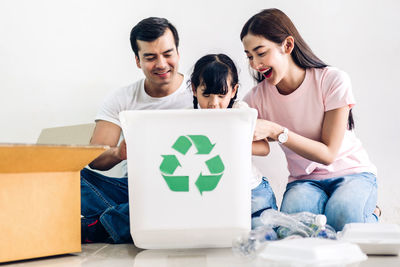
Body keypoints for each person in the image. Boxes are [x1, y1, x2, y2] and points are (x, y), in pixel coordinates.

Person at [240, 8, 378, 231]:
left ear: (287, 45)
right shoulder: (257, 98)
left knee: (342, 217)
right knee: (292, 229)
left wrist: (277, 131)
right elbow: (241, 134)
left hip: (352, 173)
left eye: (261, 52)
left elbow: (328, 154)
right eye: (249, 56)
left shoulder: (332, 80)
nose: (255, 64)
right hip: (304, 181)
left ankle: (372, 214)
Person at [81, 17, 193, 243]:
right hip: (136, 189)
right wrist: (118, 153)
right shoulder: (122, 98)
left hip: (188, 189)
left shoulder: (203, 93)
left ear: (178, 53)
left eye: (168, 54)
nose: (161, 64)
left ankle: (103, 226)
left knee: (187, 206)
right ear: (137, 60)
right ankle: (124, 220)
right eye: (150, 57)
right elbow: (94, 158)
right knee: (69, 176)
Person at [190, 53, 277, 229]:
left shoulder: (239, 112)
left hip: (252, 189)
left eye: (221, 96)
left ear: (234, 90)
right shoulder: (191, 119)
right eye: (206, 94)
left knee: (261, 231)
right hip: (216, 190)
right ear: (194, 89)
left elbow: (264, 148)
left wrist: (229, 143)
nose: (214, 103)